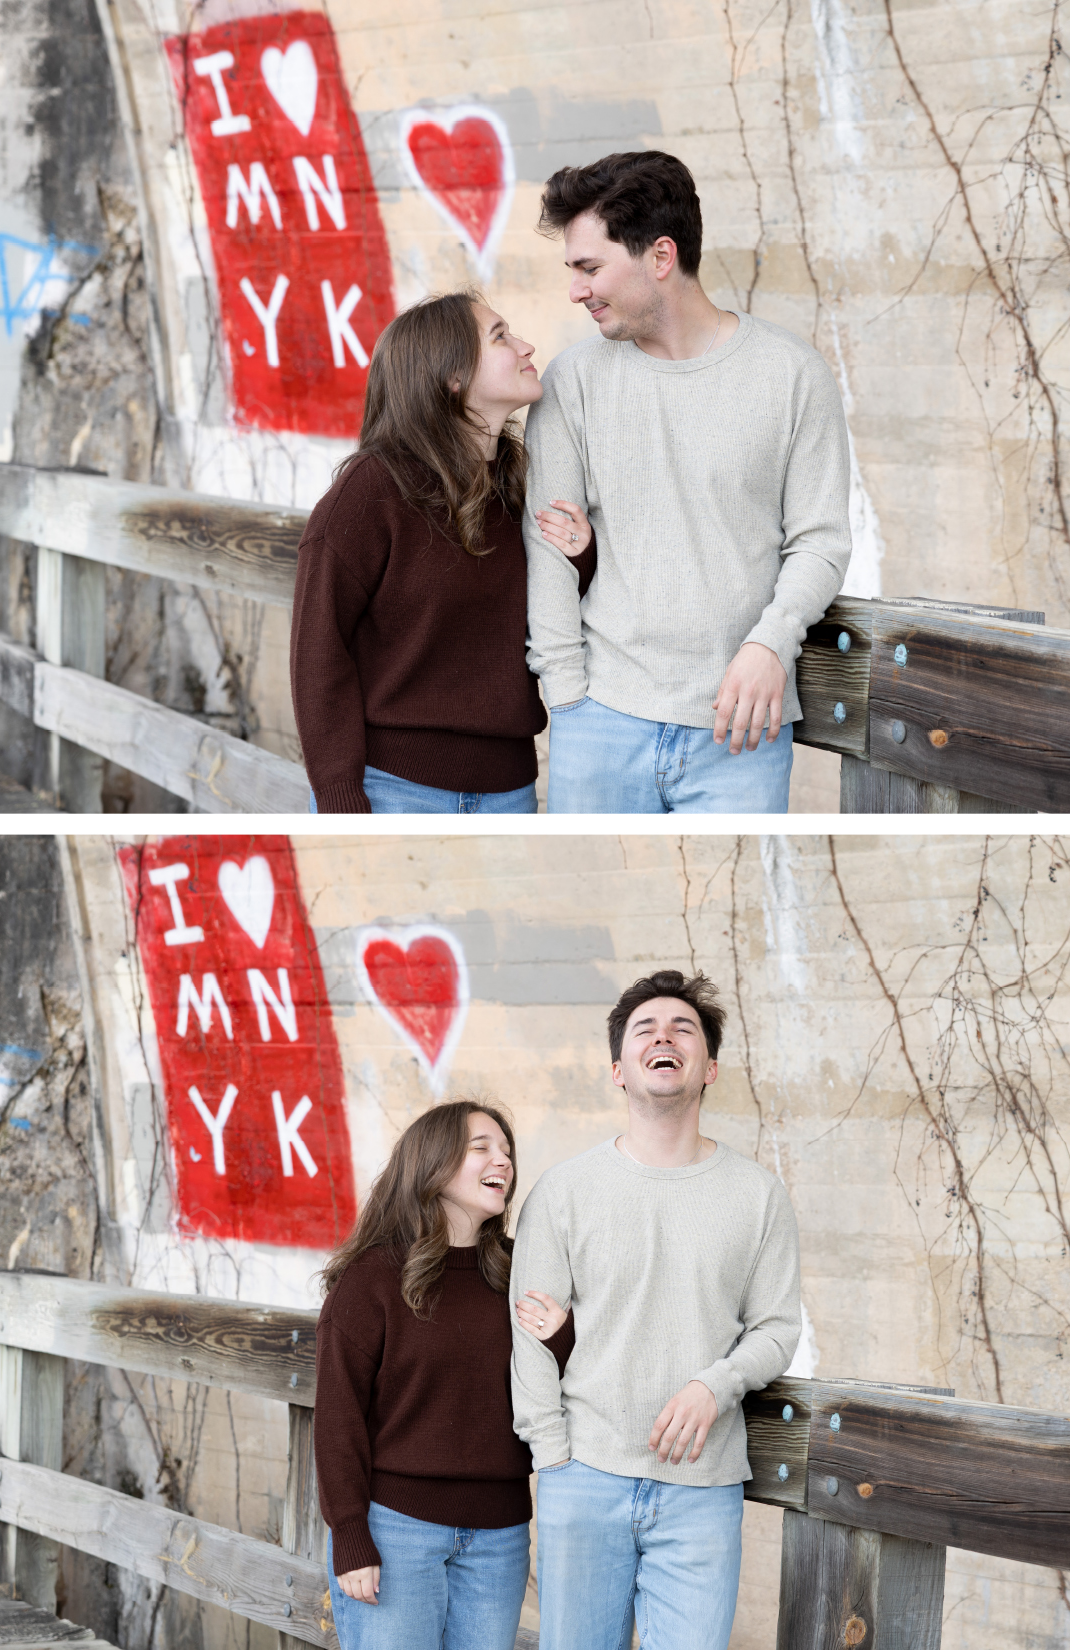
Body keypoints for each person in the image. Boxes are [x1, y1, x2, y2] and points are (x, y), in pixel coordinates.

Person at [523, 150, 853, 813]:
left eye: (590, 268)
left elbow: (820, 543)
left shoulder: (793, 376)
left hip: (742, 735)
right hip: (601, 725)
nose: (576, 290)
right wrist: (568, 697)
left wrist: (771, 643)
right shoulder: (571, 382)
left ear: (661, 257)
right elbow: (546, 548)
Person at [510, 970, 801, 1650]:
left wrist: (715, 1385)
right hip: (583, 1479)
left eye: (683, 1029)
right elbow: (526, 1336)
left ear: (710, 1069)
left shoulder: (758, 1197)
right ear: (618, 1070)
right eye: (645, 1029)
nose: (663, 1037)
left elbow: (778, 1328)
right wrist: (553, 1460)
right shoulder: (564, 1193)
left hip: (702, 1493)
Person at [290, 291, 595, 813]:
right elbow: (318, 653)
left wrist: (579, 559)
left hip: (510, 790)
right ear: (451, 378)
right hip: (390, 788)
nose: (525, 346)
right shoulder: (371, 493)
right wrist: (340, 798)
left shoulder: (515, 486)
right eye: (500, 336)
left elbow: (526, 622)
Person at [313, 1099, 574, 1650]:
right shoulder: (372, 1279)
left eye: (506, 1150)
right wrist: (351, 1535)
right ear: (431, 1163)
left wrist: (562, 1337)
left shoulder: (519, 1268)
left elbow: (572, 1385)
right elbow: (338, 1420)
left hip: (501, 1536)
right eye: (481, 1147)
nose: (501, 1159)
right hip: (397, 1530)